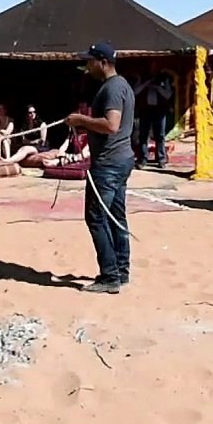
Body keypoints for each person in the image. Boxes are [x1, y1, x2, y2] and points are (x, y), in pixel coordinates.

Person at [67, 42, 136, 294]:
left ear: (103, 62)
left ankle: (110, 276)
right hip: (120, 159)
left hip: (109, 164)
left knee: (96, 218)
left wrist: (80, 120)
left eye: (90, 61)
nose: (87, 65)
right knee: (116, 217)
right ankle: (121, 270)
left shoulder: (112, 88)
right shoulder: (121, 86)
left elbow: (111, 125)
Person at [134, 72, 173, 167]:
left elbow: (167, 95)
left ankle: (161, 159)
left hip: (159, 111)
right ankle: (143, 159)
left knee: (160, 136)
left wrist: (157, 87)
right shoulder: (142, 80)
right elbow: (135, 91)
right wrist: (146, 83)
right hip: (145, 110)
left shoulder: (164, 81)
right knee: (143, 135)